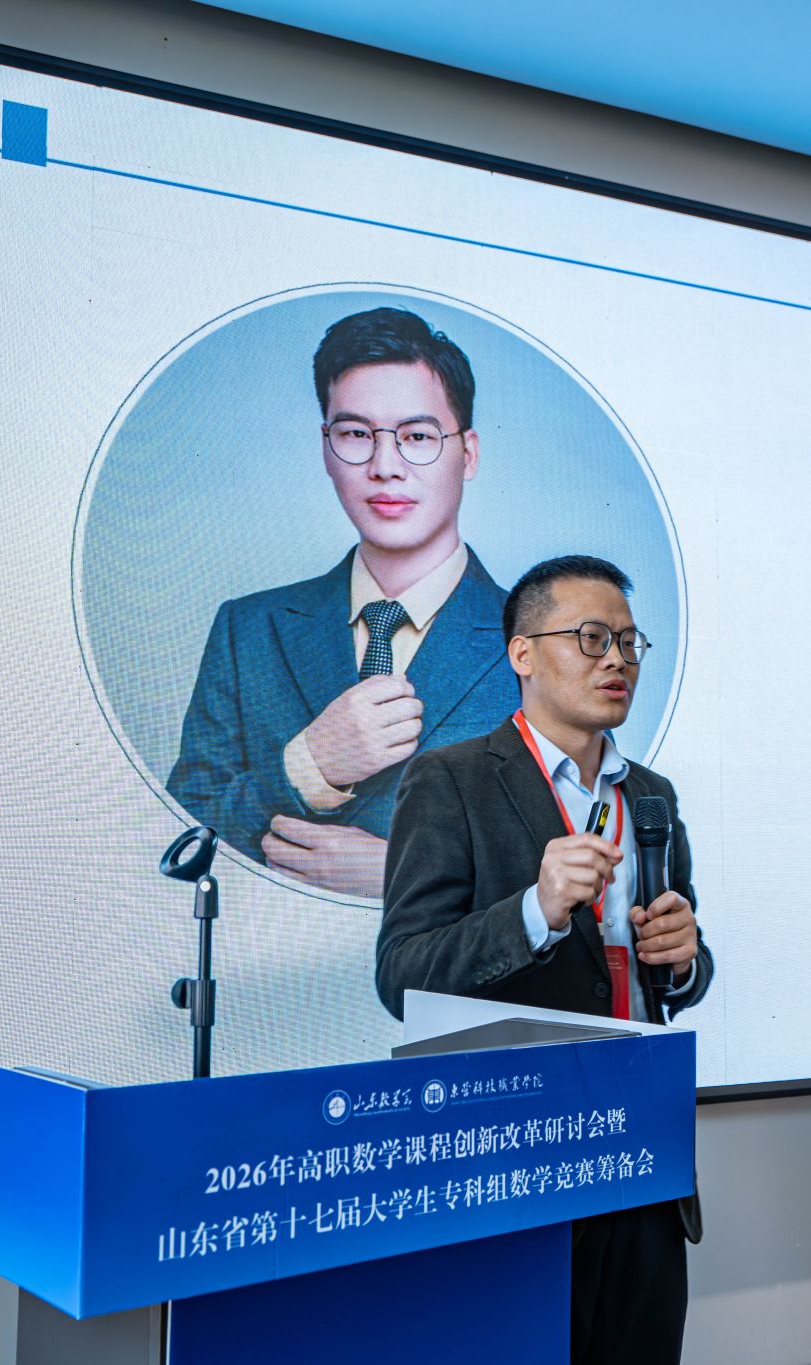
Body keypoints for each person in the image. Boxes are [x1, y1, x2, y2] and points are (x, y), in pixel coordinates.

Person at [377, 554, 713, 1365]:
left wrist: (684, 959)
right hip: (518, 1158)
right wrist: (535, 909)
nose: (617, 659)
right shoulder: (450, 780)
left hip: (642, 1148)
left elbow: (679, 973)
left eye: (629, 642)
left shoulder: (653, 795)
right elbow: (403, 973)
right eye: (592, 638)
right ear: (522, 653)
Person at [168, 307, 520, 897]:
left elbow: (592, 867)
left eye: (417, 437)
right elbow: (178, 834)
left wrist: (417, 875)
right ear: (326, 450)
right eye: (356, 434)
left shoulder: (543, 643)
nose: (385, 467)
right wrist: (308, 767)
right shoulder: (245, 629)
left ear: (469, 453)